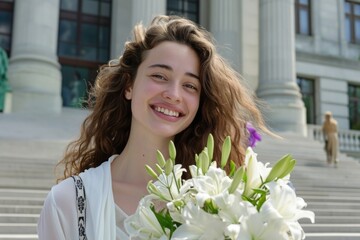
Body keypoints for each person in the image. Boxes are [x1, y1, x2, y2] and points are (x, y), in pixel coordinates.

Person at [37, 15, 270, 239]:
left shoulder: (217, 205)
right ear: (129, 85)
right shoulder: (68, 202)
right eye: (159, 76)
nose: (173, 94)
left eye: (190, 85)